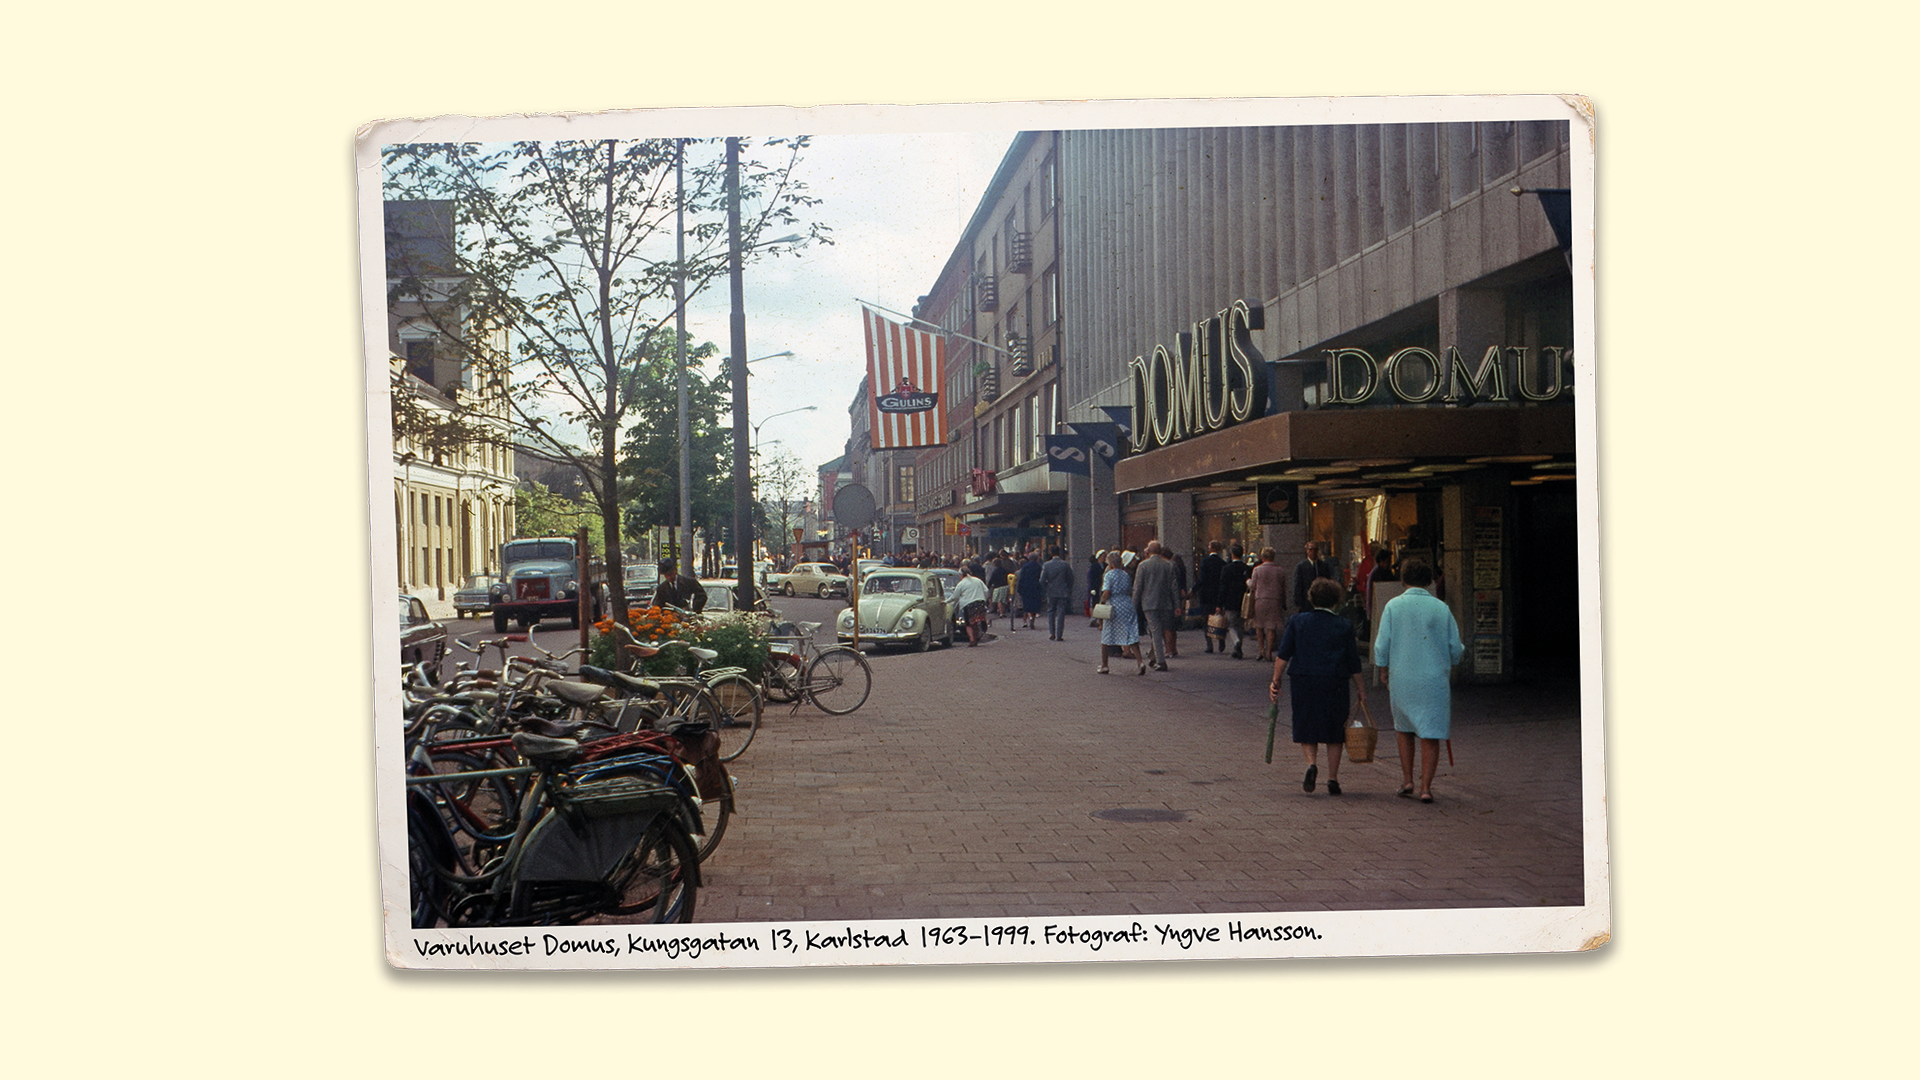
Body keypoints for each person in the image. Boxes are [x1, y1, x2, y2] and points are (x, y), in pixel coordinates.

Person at [1372, 558, 1465, 804]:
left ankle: (1407, 780)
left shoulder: (1393, 606)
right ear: (1429, 581)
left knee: (1403, 728)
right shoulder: (1441, 608)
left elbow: (1382, 644)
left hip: (1402, 676)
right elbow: (1455, 647)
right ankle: (1426, 787)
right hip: (1434, 678)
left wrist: (1383, 668)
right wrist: (1452, 661)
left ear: (1403, 580)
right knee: (1430, 731)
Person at [1269, 577, 1367, 796]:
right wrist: (1361, 688)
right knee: (1335, 729)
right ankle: (1332, 778)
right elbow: (1353, 661)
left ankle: (1311, 764)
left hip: (1304, 679)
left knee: (1307, 724)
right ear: (1336, 600)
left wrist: (1276, 680)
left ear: (1311, 598)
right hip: (1335, 681)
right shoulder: (1343, 625)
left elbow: (1283, 655)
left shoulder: (1297, 621)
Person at [1131, 542, 1180, 671]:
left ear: (1150, 551)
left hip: (1149, 603)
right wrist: (1177, 604)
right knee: (1158, 630)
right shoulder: (1169, 565)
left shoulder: (1143, 565)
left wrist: (1133, 606)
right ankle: (1154, 656)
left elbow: (1138, 588)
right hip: (1166, 603)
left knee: (1155, 632)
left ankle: (1160, 661)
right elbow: (1174, 587)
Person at [1096, 550, 1145, 675]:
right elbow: (1129, 590)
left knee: (1107, 635)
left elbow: (1106, 592)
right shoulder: (1126, 574)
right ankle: (1140, 662)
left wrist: (1102, 601)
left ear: (1110, 564)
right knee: (1130, 633)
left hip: (1114, 606)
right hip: (1127, 604)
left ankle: (1104, 665)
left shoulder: (1109, 575)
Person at [1247, 547, 1287, 662]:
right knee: (1271, 627)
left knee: (1259, 625)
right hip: (1275, 600)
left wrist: (1247, 581)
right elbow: (1283, 588)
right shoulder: (1280, 570)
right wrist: (1284, 602)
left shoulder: (1257, 570)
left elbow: (1253, 585)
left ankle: (1261, 650)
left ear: (1262, 557)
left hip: (1260, 600)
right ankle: (1269, 651)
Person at [1218, 543, 1252, 659]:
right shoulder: (1246, 568)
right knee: (1240, 625)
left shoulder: (1227, 569)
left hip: (1230, 600)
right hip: (1243, 600)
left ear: (1232, 554)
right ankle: (1238, 648)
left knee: (1230, 625)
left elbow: (1223, 587)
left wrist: (1220, 603)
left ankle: (1236, 642)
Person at [1040, 546, 1076, 641]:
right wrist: (1068, 589)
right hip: (1063, 591)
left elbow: (1042, 580)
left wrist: (1046, 588)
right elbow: (1070, 578)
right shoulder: (1065, 565)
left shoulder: (1046, 565)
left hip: (1051, 591)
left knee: (1051, 611)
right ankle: (1059, 634)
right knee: (1061, 613)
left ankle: (1052, 633)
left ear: (1051, 553)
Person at [1292, 541, 1339, 615]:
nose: (1313, 552)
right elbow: (1297, 585)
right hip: (1306, 603)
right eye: (1310, 549)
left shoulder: (1324, 566)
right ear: (1307, 551)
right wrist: (1298, 603)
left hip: (1322, 603)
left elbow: (1328, 582)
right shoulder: (1301, 567)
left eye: (1315, 549)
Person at [1196, 541, 1226, 653]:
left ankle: (1209, 645)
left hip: (1206, 594)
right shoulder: (1222, 563)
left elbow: (1202, 579)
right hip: (1218, 594)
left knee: (1206, 620)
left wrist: (1194, 589)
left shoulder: (1205, 562)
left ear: (1211, 548)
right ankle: (1221, 640)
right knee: (1219, 617)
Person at [949, 564, 990, 647]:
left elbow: (955, 596)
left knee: (968, 624)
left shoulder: (961, 583)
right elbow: (986, 590)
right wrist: (983, 599)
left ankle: (972, 640)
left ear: (961, 575)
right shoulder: (977, 580)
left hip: (968, 604)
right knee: (977, 620)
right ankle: (977, 636)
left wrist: (946, 601)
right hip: (980, 603)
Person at [1016, 551, 1045, 631]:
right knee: (1035, 605)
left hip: (1026, 588)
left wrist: (1019, 588)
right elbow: (1041, 578)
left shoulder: (1025, 566)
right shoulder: (1038, 567)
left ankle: (1026, 619)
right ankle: (1032, 620)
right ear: (1036, 559)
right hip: (1035, 588)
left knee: (1026, 605)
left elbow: (1021, 578)